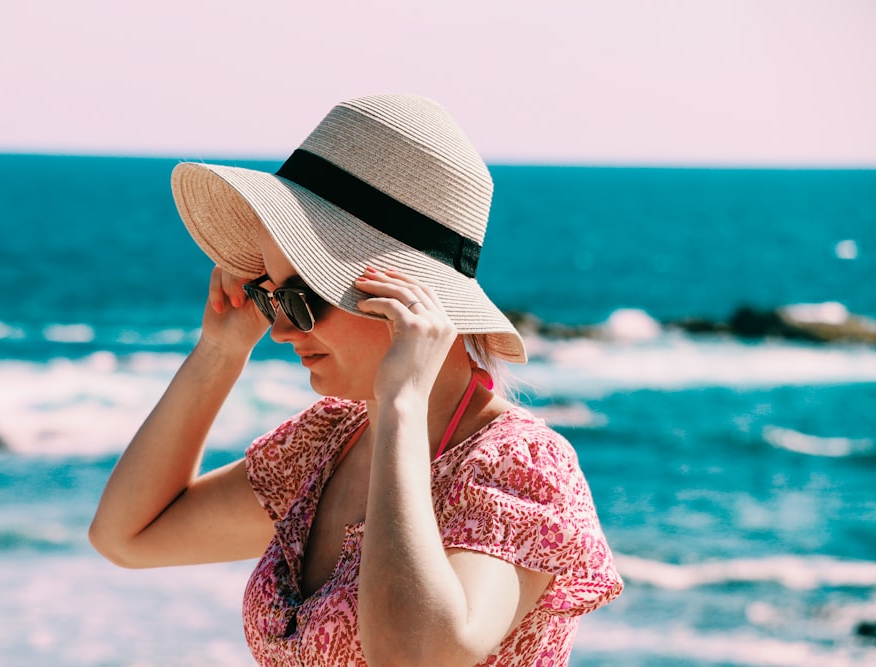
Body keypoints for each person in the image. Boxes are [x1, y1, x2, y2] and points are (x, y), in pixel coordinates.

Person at [89, 94, 622, 666]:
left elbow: (415, 655)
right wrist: (219, 350)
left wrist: (401, 404)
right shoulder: (328, 443)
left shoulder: (520, 467)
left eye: (303, 296)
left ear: (412, 298)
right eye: (270, 295)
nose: (281, 331)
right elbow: (129, 535)